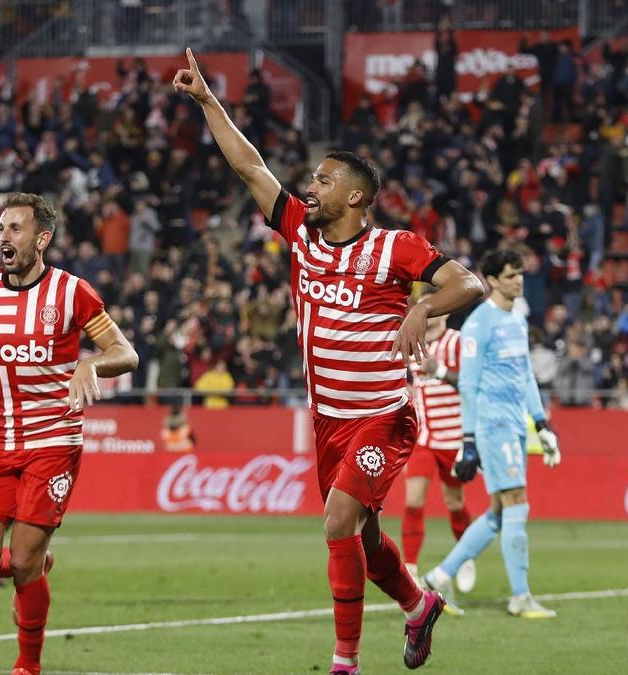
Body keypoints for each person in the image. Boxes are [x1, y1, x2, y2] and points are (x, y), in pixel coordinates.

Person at [176, 49, 485, 673]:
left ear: (355, 196)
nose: (309, 187)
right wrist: (210, 102)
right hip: (328, 420)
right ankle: (419, 604)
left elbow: (469, 284)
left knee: (338, 521)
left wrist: (422, 310)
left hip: (381, 416)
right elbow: (249, 166)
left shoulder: (395, 248)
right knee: (366, 543)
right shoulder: (301, 234)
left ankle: (345, 661)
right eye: (312, 180)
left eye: (322, 180)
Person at [0, 193, 138, 675]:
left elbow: (125, 352)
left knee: (25, 560)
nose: (3, 237)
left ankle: (27, 665)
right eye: (2, 228)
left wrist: (91, 364)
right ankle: (38, 566)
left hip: (53, 442)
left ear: (41, 238)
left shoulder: (73, 293)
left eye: (15, 229)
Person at [422, 249, 562, 619]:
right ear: (493, 280)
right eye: (512, 275)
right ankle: (520, 596)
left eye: (520, 273)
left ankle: (438, 578)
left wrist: (542, 422)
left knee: (500, 513)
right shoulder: (479, 324)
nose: (519, 280)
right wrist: (468, 441)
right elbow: (467, 385)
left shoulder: (516, 319)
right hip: (492, 424)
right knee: (518, 503)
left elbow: (526, 376)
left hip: (516, 423)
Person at [401, 290, 476, 592]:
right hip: (423, 438)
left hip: (453, 438)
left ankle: (465, 556)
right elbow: (406, 383)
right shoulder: (412, 346)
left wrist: (442, 372)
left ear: (444, 313)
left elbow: (473, 383)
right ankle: (410, 569)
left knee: (454, 503)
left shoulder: (457, 342)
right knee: (413, 500)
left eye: (433, 311)